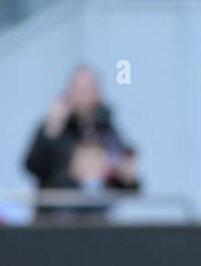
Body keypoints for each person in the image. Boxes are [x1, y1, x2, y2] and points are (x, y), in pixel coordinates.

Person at [24, 65, 139, 219]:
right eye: (77, 89)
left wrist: (129, 178)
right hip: (56, 216)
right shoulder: (54, 126)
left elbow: (124, 182)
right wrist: (51, 131)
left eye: (86, 89)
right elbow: (32, 166)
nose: (81, 95)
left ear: (97, 93)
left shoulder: (107, 130)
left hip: (98, 217)